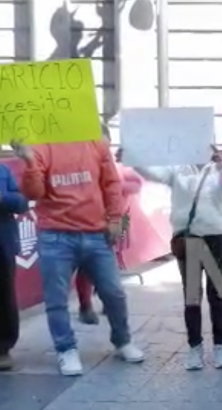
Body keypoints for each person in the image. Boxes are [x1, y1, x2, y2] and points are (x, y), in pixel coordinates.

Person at [13, 137, 144, 376]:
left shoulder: (95, 143)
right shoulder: (41, 146)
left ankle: (122, 340)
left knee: (114, 292)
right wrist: (30, 161)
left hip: (96, 234)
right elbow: (33, 193)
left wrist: (115, 218)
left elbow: (111, 183)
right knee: (56, 299)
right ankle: (66, 348)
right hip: (55, 235)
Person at [133, 146, 222, 370]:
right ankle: (195, 348)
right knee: (192, 295)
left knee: (216, 294)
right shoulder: (178, 168)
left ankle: (220, 346)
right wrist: (134, 158)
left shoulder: (220, 168)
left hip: (216, 236)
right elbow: (154, 174)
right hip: (189, 238)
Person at [76, 124, 140, 325]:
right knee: (86, 266)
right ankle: (85, 305)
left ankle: (107, 300)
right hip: (89, 222)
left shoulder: (117, 163)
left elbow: (136, 184)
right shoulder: (81, 162)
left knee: (110, 263)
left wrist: (115, 186)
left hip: (116, 220)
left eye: (102, 139)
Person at [0, 146, 29, 371]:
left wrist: (1, 198)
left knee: (1, 296)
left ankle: (1, 348)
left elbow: (21, 203)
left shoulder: (1, 172)